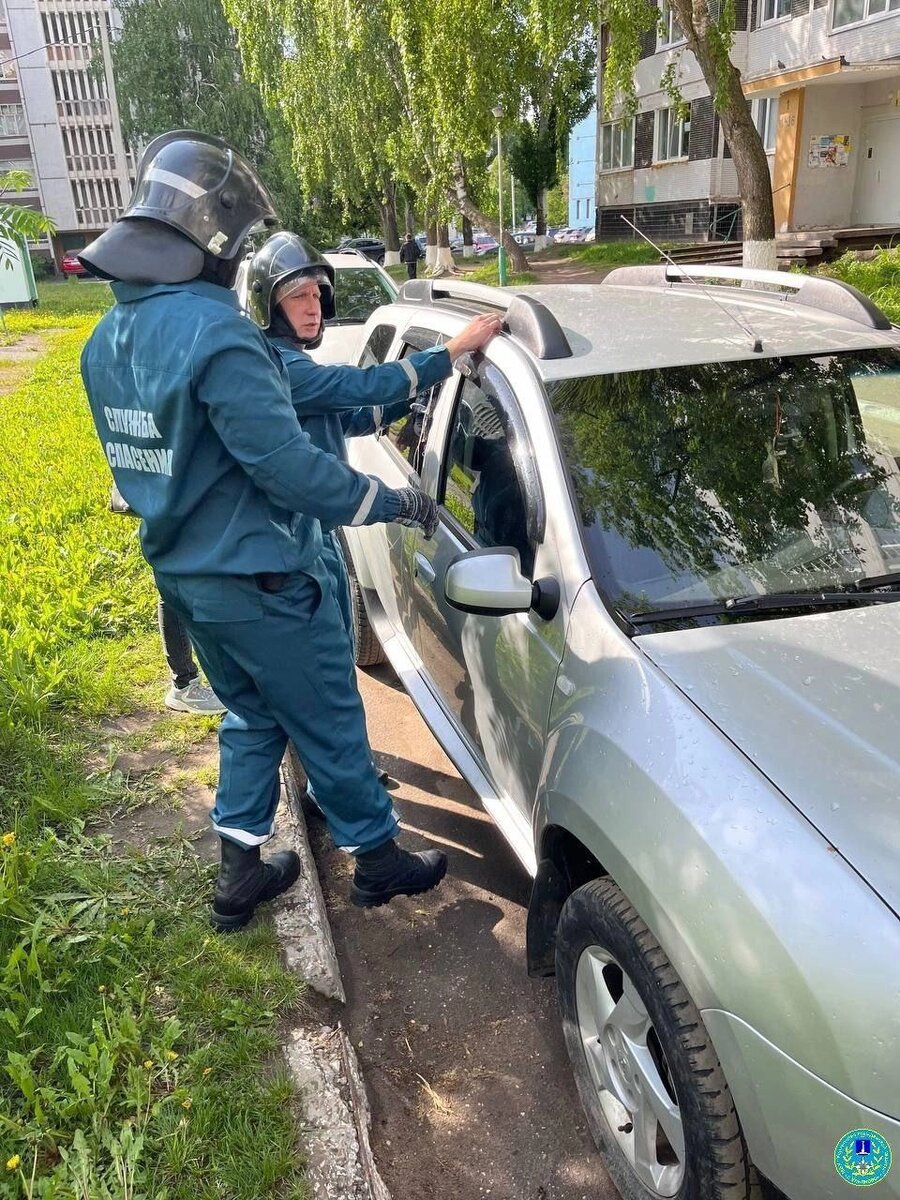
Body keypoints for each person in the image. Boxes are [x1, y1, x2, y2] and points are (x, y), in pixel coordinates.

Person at [78, 130, 457, 932]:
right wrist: (391, 503)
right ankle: (378, 861)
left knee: (251, 715)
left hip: (189, 580)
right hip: (267, 583)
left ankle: (239, 874)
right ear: (215, 248)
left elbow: (171, 460)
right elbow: (288, 471)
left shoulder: (104, 341)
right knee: (328, 715)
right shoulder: (219, 336)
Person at [244, 231, 502, 647]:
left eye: (316, 296)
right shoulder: (281, 369)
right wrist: (451, 351)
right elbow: (363, 386)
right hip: (298, 546)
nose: (313, 309)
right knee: (328, 675)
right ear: (269, 306)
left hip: (310, 538)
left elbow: (352, 419)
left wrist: (417, 403)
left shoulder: (287, 362)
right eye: (298, 298)